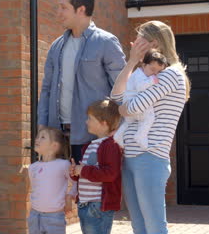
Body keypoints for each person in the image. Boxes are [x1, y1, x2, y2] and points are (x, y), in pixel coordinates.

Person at [111, 20, 190, 234]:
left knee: (154, 226)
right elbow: (117, 98)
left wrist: (123, 109)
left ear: (154, 43)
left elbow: (133, 107)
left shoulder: (171, 74)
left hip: (151, 157)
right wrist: (131, 63)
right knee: (139, 226)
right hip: (132, 157)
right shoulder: (146, 75)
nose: (135, 42)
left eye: (140, 38)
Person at [38, 0, 126, 163]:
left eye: (63, 7)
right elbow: (46, 89)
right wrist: (42, 126)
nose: (58, 12)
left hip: (92, 137)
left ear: (81, 9)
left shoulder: (106, 42)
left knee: (90, 190)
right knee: (60, 190)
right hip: (57, 137)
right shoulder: (56, 46)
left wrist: (119, 130)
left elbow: (123, 89)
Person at [69, 99, 122, 234]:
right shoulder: (90, 145)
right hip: (85, 204)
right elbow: (86, 174)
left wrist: (84, 170)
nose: (86, 122)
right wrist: (75, 172)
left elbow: (110, 174)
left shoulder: (111, 145)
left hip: (98, 206)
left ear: (103, 123)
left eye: (90, 119)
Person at [113, 49, 169, 149]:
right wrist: (152, 81)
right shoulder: (139, 75)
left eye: (159, 71)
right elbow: (140, 87)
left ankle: (118, 135)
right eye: (152, 69)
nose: (155, 74)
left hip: (129, 107)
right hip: (133, 105)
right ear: (143, 65)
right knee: (150, 117)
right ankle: (141, 135)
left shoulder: (141, 73)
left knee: (128, 123)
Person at [28, 127, 76, 234]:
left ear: (54, 146)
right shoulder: (33, 167)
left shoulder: (63, 165)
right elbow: (35, 188)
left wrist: (69, 197)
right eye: (37, 137)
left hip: (54, 217)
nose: (37, 140)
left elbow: (76, 183)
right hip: (34, 216)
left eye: (43, 137)